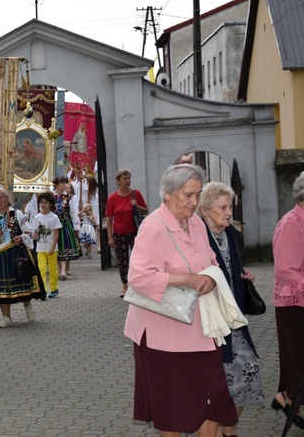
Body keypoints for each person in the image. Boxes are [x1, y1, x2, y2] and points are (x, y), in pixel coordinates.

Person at [124, 164, 237, 436]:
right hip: (163, 335)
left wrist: (211, 277)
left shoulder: (196, 222)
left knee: (215, 397)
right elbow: (138, 277)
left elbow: (210, 260)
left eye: (197, 194)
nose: (194, 202)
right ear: (168, 193)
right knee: (173, 408)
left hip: (200, 328)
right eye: (188, 195)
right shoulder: (153, 226)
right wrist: (186, 279)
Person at [197, 181, 265, 436]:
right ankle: (223, 430)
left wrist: (241, 274)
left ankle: (228, 427)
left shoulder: (232, 234)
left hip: (234, 318)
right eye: (223, 207)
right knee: (218, 383)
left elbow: (231, 266)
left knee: (247, 372)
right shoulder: (197, 236)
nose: (229, 213)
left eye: (230, 207)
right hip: (211, 322)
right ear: (205, 209)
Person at [0, 188, 45, 327]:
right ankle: (6, 317)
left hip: (17, 253)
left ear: (7, 199)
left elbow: (29, 231)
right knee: (2, 287)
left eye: (1, 198)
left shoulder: (17, 214)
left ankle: (27, 306)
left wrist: (21, 238)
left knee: (21, 281)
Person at [271, 171, 304, 430]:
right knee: (296, 358)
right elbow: (285, 269)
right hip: (294, 304)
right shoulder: (293, 222)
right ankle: (289, 397)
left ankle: (287, 396)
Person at [106, 169, 147, 297]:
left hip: (135, 233)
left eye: (129, 178)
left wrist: (137, 205)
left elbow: (146, 210)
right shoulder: (113, 198)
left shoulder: (136, 194)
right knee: (123, 261)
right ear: (118, 181)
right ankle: (125, 286)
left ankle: (138, 286)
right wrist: (110, 237)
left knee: (138, 260)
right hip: (119, 233)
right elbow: (109, 218)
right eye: (124, 178)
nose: (127, 181)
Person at [31, 191, 61, 298]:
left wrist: (53, 247)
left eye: (46, 202)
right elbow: (34, 234)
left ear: (51, 204)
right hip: (40, 248)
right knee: (41, 269)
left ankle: (54, 288)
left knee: (52, 270)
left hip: (51, 248)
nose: (43, 205)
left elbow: (56, 233)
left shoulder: (54, 217)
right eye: (41, 202)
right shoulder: (36, 218)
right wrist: (33, 235)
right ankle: (43, 289)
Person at [52, 176, 80, 280]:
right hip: (53, 225)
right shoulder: (51, 196)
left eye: (65, 183)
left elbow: (73, 213)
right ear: (56, 184)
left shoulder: (69, 197)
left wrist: (76, 227)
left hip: (65, 224)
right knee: (56, 247)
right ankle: (59, 269)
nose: (64, 185)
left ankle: (63, 270)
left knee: (64, 247)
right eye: (62, 183)